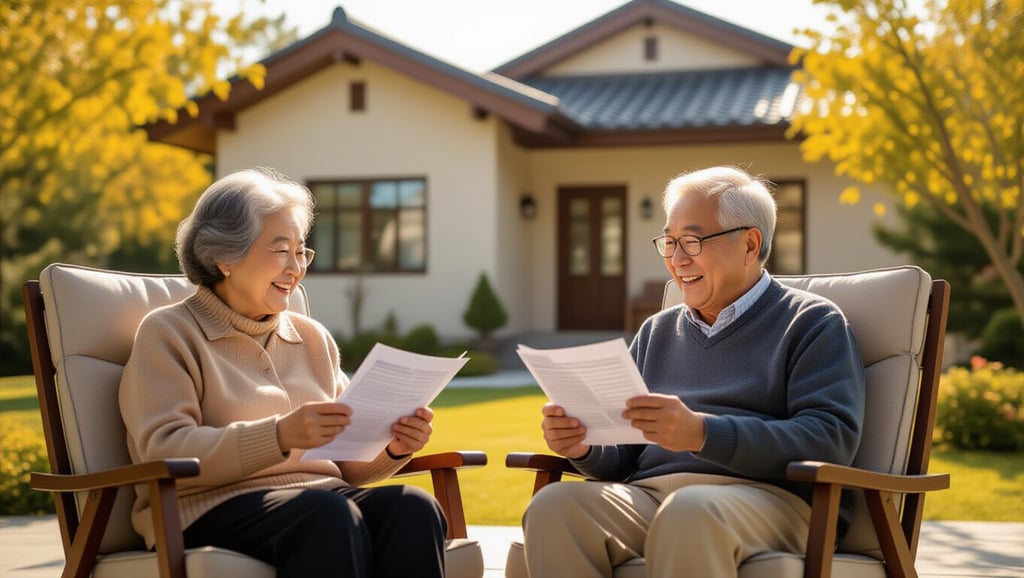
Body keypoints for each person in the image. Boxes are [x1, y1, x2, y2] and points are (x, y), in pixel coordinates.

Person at [522, 166, 866, 577]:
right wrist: (585, 447)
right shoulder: (657, 330)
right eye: (669, 242)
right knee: (554, 508)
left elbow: (830, 438)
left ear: (750, 244)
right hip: (652, 498)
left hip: (771, 500)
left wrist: (703, 433)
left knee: (689, 511)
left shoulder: (811, 322)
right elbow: (626, 454)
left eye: (693, 241)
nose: (677, 259)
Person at [119, 167, 447, 578]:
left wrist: (395, 447)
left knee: (412, 508)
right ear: (224, 257)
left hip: (321, 498)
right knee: (328, 515)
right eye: (280, 250)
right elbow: (163, 449)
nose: (296, 267)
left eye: (302, 251)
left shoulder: (312, 337)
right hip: (207, 506)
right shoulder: (169, 333)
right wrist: (278, 436)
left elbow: (346, 462)